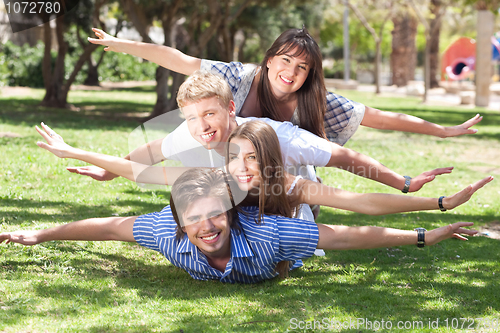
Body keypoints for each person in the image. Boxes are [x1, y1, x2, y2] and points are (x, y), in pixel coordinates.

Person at [0, 168, 481, 283]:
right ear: (178, 222)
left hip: (290, 216)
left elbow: (343, 236)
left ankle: (298, 172)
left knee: (305, 199)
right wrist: (40, 233)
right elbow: (109, 227)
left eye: (215, 215)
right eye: (194, 220)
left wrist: (423, 234)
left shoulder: (271, 235)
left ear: (230, 214)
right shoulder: (166, 232)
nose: (206, 227)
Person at [64, 70, 453, 199]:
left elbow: (347, 158)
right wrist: (109, 170)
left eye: (210, 114)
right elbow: (152, 148)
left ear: (231, 109)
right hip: (247, 198)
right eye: (192, 118)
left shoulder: (277, 136)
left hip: (293, 201)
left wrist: (402, 182)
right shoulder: (192, 131)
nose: (202, 126)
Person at [35, 119, 493, 223]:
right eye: (236, 158)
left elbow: (358, 201)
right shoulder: (214, 172)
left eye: (253, 159)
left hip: (291, 232)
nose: (243, 167)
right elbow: (142, 167)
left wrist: (432, 201)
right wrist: (74, 150)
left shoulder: (288, 179)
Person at [87, 26, 482, 145]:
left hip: (286, 189)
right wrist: (120, 44)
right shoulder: (238, 78)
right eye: (286, 61)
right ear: (271, 60)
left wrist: (442, 129)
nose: (291, 72)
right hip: (232, 176)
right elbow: (181, 60)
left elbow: (380, 117)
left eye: (303, 67)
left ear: (310, 74)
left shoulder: (317, 101)